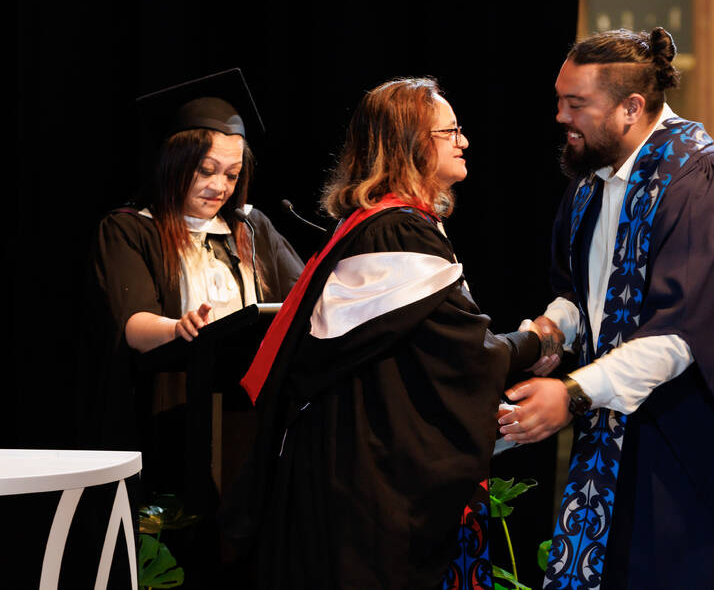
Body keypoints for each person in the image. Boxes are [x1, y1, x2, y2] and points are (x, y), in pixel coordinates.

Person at [498, 28, 714, 589]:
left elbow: (681, 334)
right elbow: (585, 292)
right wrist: (552, 330)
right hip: (618, 435)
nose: (560, 116)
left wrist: (570, 395)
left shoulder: (702, 186)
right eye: (559, 99)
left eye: (576, 104)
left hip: (690, 457)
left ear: (631, 108)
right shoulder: (593, 181)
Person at [227, 77, 560, 589]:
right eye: (450, 131)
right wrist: (540, 337)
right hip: (365, 483)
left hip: (353, 466)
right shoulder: (397, 232)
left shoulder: (381, 225)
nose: (463, 141)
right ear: (410, 144)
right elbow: (468, 355)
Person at [79, 68, 304, 484]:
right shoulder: (130, 228)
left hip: (253, 418)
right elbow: (132, 322)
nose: (220, 186)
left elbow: (302, 301)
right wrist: (178, 327)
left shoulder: (253, 230)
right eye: (206, 170)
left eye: (232, 175)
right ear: (174, 164)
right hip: (168, 413)